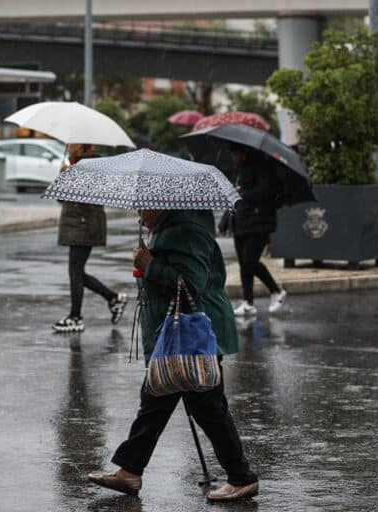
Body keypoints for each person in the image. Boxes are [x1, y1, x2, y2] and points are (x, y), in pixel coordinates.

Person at [88, 209, 259, 502]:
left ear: (162, 204)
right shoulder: (171, 225)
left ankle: (241, 477)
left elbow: (191, 284)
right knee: (155, 401)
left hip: (192, 334)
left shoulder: (188, 228)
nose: (140, 212)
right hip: (175, 334)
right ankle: (130, 471)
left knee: (207, 406)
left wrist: (150, 265)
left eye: (144, 206)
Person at [53, 143, 126, 333]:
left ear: (82, 147)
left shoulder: (92, 166)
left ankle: (76, 317)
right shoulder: (75, 165)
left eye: (72, 145)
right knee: (77, 272)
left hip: (85, 225)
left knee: (75, 271)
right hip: (78, 225)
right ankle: (113, 298)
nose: (68, 147)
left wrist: (68, 176)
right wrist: (63, 176)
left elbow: (85, 196)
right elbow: (61, 198)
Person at [228, 146, 286, 316]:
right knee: (244, 264)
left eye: (235, 154)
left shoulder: (261, 169)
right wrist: (226, 222)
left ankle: (276, 291)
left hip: (258, 223)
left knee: (250, 262)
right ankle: (248, 302)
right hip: (240, 223)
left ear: (243, 154)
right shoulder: (237, 171)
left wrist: (242, 193)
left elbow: (264, 192)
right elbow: (235, 199)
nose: (232, 157)